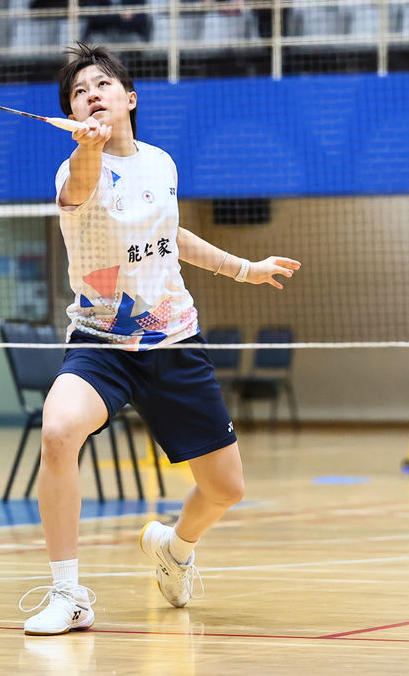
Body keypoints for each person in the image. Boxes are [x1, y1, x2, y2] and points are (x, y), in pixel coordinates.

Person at [19, 43, 300, 636]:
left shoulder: (161, 163)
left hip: (174, 340)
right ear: (73, 113)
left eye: (102, 85)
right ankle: (68, 593)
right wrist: (87, 149)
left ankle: (175, 548)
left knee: (225, 489)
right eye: (78, 92)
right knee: (58, 431)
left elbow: (171, 234)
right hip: (101, 344)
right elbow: (82, 189)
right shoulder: (74, 169)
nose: (91, 95)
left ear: (129, 98)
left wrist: (243, 269)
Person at [80, 0, 151, 44]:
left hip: (128, 34)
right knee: (95, 44)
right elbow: (94, 18)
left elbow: (141, 19)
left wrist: (110, 17)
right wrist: (121, 16)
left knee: (137, 42)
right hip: (102, 34)